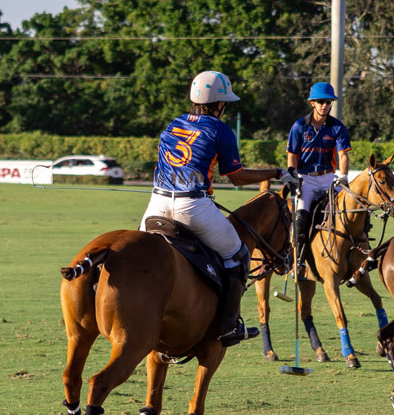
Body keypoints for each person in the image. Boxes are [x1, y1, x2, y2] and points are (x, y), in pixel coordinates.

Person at [143, 70, 288, 346]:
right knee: (239, 255)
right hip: (193, 206)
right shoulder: (221, 130)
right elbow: (236, 176)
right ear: (220, 104)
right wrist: (276, 172)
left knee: (141, 254)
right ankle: (228, 326)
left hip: (157, 203)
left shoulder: (172, 125)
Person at [285, 81, 352, 274]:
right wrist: (293, 175)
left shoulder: (337, 127)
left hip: (328, 177)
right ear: (312, 103)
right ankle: (298, 260)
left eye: (328, 102)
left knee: (348, 208)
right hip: (306, 178)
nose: (325, 105)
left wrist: (343, 176)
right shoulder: (299, 126)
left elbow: (343, 155)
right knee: (302, 215)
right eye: (321, 101)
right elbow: (292, 155)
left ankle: (357, 250)